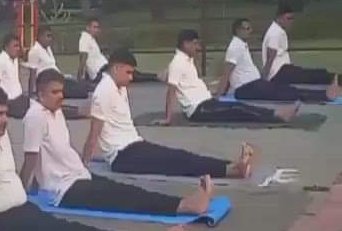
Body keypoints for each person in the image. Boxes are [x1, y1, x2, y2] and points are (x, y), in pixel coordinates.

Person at [0, 86, 182, 231]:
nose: (4, 120)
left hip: (22, 210)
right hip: (6, 224)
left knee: (68, 228)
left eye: (5, 113)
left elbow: (0, 178)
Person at [23, 70, 217, 216]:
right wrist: (22, 193)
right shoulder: (35, 117)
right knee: (123, 198)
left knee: (125, 189)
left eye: (61, 91)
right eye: (54, 92)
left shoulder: (54, 112)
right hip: (63, 190)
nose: (61, 96)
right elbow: (30, 158)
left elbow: (43, 154)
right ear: (40, 95)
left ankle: (183, 202)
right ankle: (186, 206)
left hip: (77, 175)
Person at [83, 50, 256, 179]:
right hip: (123, 157)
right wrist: (82, 167)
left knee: (179, 156)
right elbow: (93, 135)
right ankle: (231, 170)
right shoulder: (104, 91)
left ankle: (230, 166)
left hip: (134, 146)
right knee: (176, 162)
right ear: (116, 68)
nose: (131, 78)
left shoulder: (118, 88)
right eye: (128, 73)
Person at [166, 30, 295, 125]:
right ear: (185, 44)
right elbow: (170, 91)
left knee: (237, 105)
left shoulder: (187, 60)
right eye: (195, 44)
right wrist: (168, 119)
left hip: (206, 102)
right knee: (236, 109)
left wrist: (197, 60)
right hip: (198, 109)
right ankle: (276, 116)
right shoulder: (177, 62)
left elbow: (196, 79)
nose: (198, 48)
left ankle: (274, 113)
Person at [222, 18, 340, 102]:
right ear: (238, 30)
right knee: (283, 93)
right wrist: (218, 95)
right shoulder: (234, 47)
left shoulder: (241, 44)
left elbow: (231, 74)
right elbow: (226, 73)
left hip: (253, 84)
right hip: (245, 89)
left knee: (285, 90)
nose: (250, 31)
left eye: (250, 28)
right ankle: (323, 95)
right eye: (246, 28)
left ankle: (323, 94)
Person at [262, 4, 338, 86]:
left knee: (313, 74)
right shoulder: (275, 33)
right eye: (288, 18)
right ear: (279, 18)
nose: (291, 21)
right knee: (315, 76)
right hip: (279, 73)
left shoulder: (278, 30)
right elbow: (270, 58)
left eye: (292, 18)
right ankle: (337, 79)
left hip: (284, 70)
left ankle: (334, 78)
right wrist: (264, 82)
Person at [26, 25, 90, 99]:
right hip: (50, 83)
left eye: (51, 36)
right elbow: (32, 74)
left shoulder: (48, 48)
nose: (50, 39)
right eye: (48, 36)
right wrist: (31, 96)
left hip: (60, 78)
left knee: (83, 86)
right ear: (40, 37)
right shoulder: (34, 51)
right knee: (82, 93)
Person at [0, 33, 30, 118]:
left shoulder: (15, 58)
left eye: (19, 46)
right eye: (15, 46)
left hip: (20, 97)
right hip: (9, 102)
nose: (18, 49)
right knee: (36, 111)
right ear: (6, 47)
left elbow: (25, 58)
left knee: (41, 106)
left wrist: (22, 50)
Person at [77, 18, 108, 82]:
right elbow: (83, 60)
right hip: (100, 72)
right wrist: (79, 79)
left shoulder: (91, 39)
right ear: (88, 28)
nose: (96, 30)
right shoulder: (85, 38)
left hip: (104, 69)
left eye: (97, 28)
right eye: (94, 27)